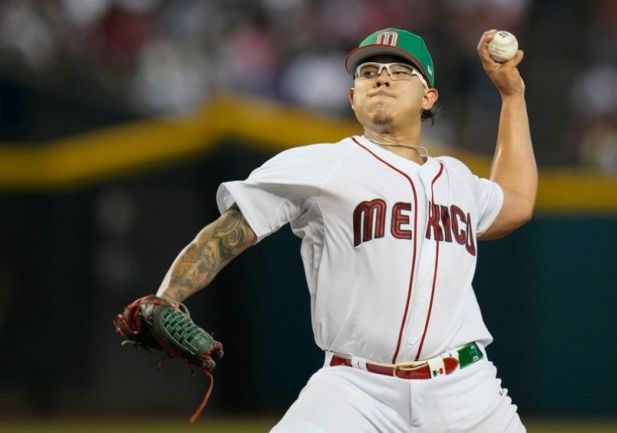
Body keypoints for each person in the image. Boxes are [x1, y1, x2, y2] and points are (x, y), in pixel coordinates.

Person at [155, 28, 536, 432]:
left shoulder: (458, 179)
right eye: (368, 71)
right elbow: (226, 234)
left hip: (465, 390)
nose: (382, 77)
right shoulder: (322, 165)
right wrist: (166, 298)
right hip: (355, 390)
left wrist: (512, 96)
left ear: (429, 98)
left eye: (400, 71)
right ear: (354, 98)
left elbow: (516, 201)